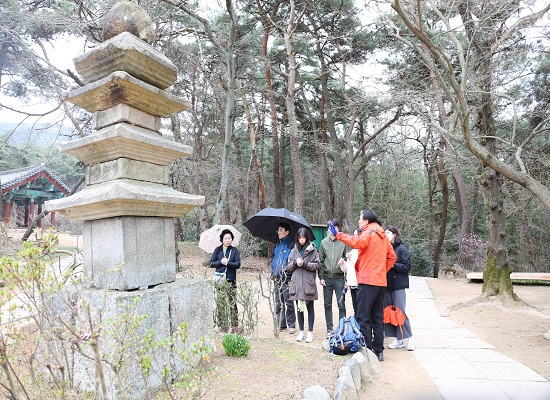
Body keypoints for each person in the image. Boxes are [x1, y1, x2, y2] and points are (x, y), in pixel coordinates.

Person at [329, 209, 396, 362]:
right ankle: (379, 352)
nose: (359, 222)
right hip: (380, 282)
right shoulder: (383, 236)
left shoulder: (369, 232)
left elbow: (356, 242)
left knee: (363, 316)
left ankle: (367, 350)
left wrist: (338, 235)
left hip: (368, 281)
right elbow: (392, 257)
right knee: (378, 317)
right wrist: (382, 270)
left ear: (366, 221)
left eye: (360, 219)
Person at [286, 228, 321, 343]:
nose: (302, 240)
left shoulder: (313, 250)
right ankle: (301, 331)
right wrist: (296, 263)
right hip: (296, 283)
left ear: (307, 238)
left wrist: (305, 264)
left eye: (303, 238)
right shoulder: (293, 250)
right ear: (297, 238)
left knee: (310, 308)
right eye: (300, 238)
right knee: (299, 308)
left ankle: (310, 332)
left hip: (308, 283)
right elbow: (288, 266)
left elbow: (317, 265)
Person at [384, 226, 415, 351]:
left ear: (394, 235)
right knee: (388, 312)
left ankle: (411, 338)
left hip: (399, 286)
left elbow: (407, 267)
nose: (385, 235)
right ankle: (398, 339)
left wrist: (393, 265)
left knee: (400, 312)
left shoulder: (402, 249)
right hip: (387, 286)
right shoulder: (385, 248)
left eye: (388, 233)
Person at [319, 219, 347, 338]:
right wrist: (320, 277)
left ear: (338, 229)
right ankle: (329, 329)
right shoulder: (324, 243)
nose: (333, 230)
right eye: (331, 228)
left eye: (336, 228)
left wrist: (346, 279)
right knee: (327, 304)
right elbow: (320, 261)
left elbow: (347, 261)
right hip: (327, 277)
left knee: (341, 304)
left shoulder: (343, 243)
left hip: (339, 277)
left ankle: (342, 328)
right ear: (328, 230)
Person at [210, 229, 241, 333]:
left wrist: (228, 263)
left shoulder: (234, 250)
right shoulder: (217, 250)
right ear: (222, 239)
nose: (228, 240)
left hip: (230, 279)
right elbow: (211, 263)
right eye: (226, 238)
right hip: (219, 279)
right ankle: (222, 325)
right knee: (221, 302)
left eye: (230, 238)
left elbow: (238, 264)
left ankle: (235, 325)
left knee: (232, 302)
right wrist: (220, 262)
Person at [271, 222, 296, 333]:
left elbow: (293, 262)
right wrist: (273, 272)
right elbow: (274, 259)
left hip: (287, 277)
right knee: (278, 302)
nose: (279, 232)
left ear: (287, 232)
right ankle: (281, 324)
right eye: (278, 230)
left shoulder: (291, 245)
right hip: (277, 277)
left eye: (281, 230)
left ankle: (291, 324)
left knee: (288, 302)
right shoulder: (277, 244)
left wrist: (287, 272)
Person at [338, 227, 361, 316]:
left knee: (361, 308)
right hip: (352, 284)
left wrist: (351, 259)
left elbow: (359, 266)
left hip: (360, 284)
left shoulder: (363, 251)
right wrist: (342, 264)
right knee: (355, 308)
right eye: (354, 235)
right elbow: (346, 269)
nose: (354, 238)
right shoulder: (353, 251)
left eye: (357, 235)